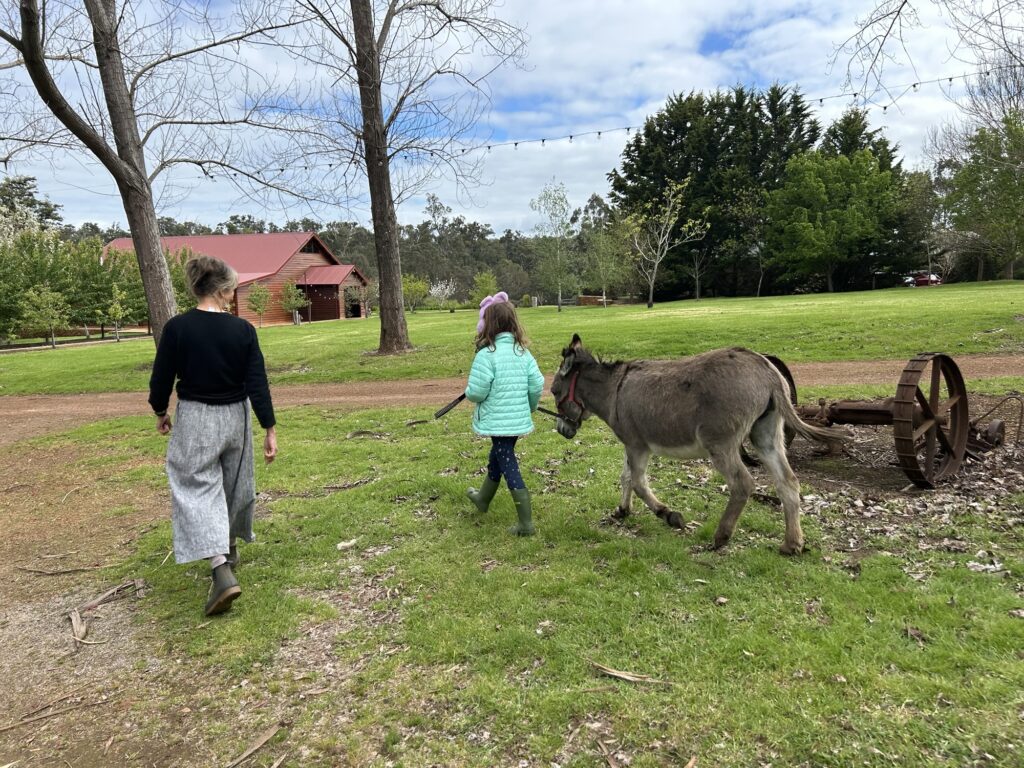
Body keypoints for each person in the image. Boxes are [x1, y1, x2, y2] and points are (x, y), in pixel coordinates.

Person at [148, 255, 277, 616]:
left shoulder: (178, 328)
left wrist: (161, 410)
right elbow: (257, 383)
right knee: (235, 484)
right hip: (236, 417)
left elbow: (161, 379)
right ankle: (228, 549)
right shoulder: (243, 330)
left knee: (195, 485)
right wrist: (269, 427)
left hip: (197, 418)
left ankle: (220, 566)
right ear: (221, 290)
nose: (233, 294)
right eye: (232, 288)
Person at [464, 292, 544, 535]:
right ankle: (483, 499)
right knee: (498, 457)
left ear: (489, 325)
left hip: (498, 422)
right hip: (515, 420)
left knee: (507, 463)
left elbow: (476, 392)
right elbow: (537, 383)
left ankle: (526, 523)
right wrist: (530, 406)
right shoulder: (523, 353)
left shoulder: (486, 355)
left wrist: (469, 392)